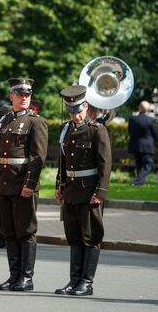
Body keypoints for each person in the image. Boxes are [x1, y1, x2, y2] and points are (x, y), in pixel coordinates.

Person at [0, 78, 48, 291]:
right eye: (20, 93)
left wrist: (30, 183)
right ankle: (14, 275)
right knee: (8, 231)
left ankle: (26, 277)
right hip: (5, 183)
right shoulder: (3, 121)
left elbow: (38, 156)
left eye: (28, 94)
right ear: (11, 96)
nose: (24, 97)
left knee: (25, 230)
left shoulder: (36, 121)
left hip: (23, 183)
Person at [55, 84, 111, 296]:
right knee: (74, 236)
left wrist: (100, 192)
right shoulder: (65, 129)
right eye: (71, 111)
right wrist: (60, 185)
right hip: (71, 190)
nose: (75, 115)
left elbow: (105, 164)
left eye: (78, 111)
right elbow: (62, 160)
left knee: (90, 236)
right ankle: (74, 281)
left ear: (86, 107)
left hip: (89, 192)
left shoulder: (97, 130)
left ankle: (86, 283)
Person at [128, 101, 158, 186]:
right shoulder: (151, 120)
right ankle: (137, 181)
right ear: (148, 109)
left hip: (135, 145)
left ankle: (140, 181)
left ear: (139, 108)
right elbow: (155, 134)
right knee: (148, 165)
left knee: (139, 164)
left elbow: (130, 131)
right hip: (147, 146)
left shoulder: (133, 119)